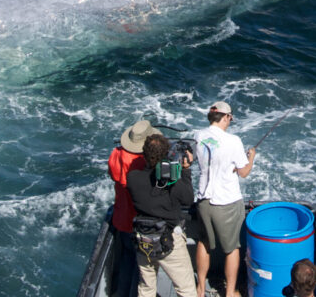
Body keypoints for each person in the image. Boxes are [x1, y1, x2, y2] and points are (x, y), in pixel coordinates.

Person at [192, 101, 256, 297]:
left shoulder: (198, 136)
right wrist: (251, 157)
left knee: (203, 243)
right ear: (226, 117)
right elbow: (244, 172)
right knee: (232, 249)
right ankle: (230, 292)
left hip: (203, 200)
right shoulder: (234, 141)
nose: (230, 122)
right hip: (226, 203)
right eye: (230, 118)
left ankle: (200, 289)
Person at [127, 133, 197, 297]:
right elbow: (188, 199)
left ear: (143, 154)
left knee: (146, 288)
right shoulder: (174, 183)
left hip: (143, 239)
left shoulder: (132, 178)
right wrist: (185, 170)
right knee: (186, 289)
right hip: (168, 241)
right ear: (167, 154)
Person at [106, 119, 156, 297]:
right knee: (143, 265)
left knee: (128, 257)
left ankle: (121, 293)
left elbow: (114, 174)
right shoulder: (144, 161)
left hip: (122, 217)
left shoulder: (116, 154)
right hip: (141, 221)